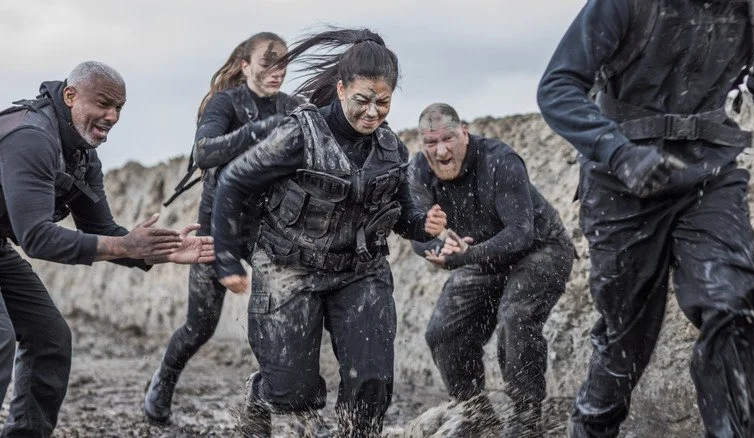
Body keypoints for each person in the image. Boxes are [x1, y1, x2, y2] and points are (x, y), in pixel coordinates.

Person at [537, 0, 754, 436]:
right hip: (620, 184)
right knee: (626, 342)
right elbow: (557, 86)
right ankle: (591, 427)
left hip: (708, 174)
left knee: (732, 302)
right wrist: (618, 152)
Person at [211, 28, 447, 438]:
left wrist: (423, 225)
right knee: (292, 394)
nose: (373, 112)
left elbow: (404, 216)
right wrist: (227, 256)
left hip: (360, 271)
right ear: (340, 89)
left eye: (383, 102)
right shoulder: (298, 135)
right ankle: (262, 394)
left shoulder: (392, 150)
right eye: (362, 100)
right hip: (289, 269)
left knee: (371, 379)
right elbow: (233, 181)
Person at [0, 61, 215, 437]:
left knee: (50, 338)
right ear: (70, 96)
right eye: (103, 104)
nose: (112, 116)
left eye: (119, 108)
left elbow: (101, 230)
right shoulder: (31, 137)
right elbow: (36, 237)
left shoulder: (83, 156)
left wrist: (157, 250)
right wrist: (123, 244)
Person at [143, 31, 303, 424]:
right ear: (246, 66)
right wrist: (258, 132)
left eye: (283, 63)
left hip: (271, 230)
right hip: (219, 226)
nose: (276, 71)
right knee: (199, 327)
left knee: (275, 325)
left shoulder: (292, 106)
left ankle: (271, 407)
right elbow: (204, 151)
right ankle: (164, 380)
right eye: (267, 62)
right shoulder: (224, 103)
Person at [408, 103, 575, 437]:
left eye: (448, 138)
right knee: (443, 333)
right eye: (431, 142)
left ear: (464, 133)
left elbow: (520, 232)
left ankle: (526, 419)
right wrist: (439, 249)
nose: (441, 150)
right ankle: (476, 415)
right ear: (422, 143)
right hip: (482, 258)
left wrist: (467, 255)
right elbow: (418, 231)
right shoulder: (419, 171)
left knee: (515, 317)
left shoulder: (500, 160)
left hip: (540, 249)